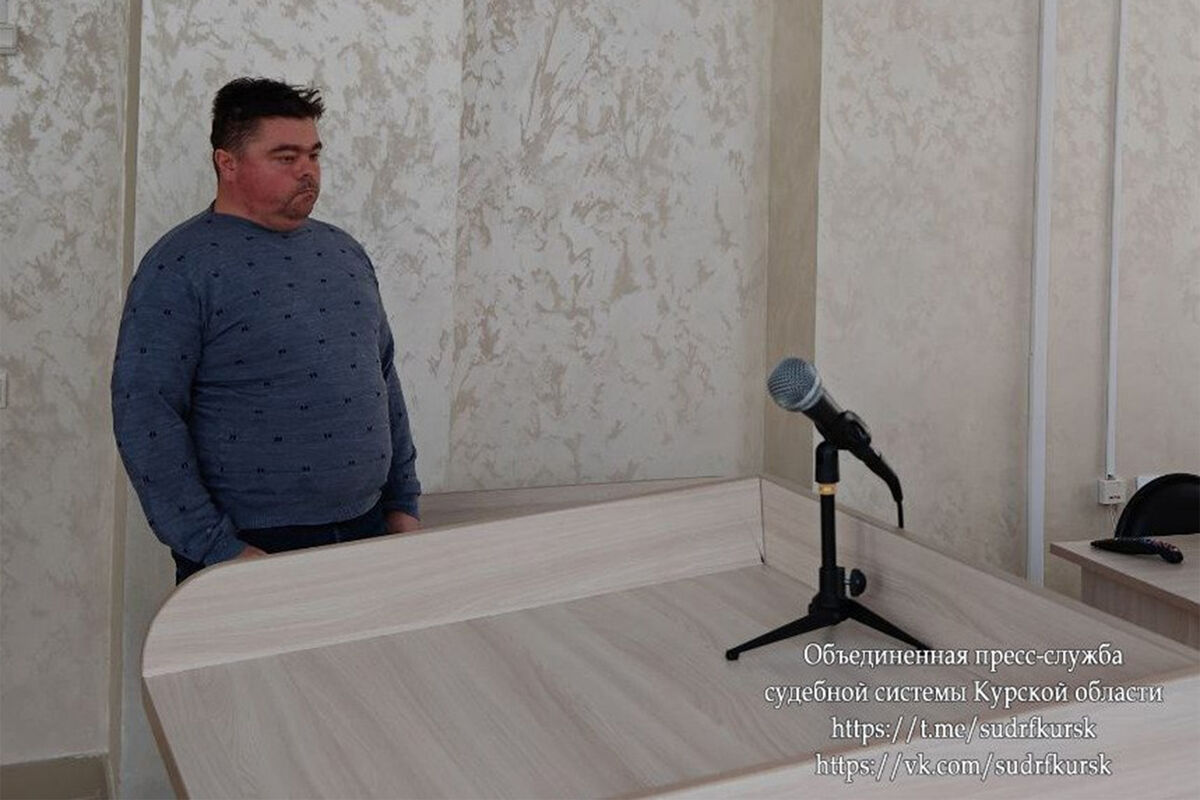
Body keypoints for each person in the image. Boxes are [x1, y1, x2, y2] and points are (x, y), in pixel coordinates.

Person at [112, 78, 421, 584]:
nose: (307, 171)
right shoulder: (180, 266)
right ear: (227, 163)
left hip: (368, 529)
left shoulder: (344, 252)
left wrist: (404, 502)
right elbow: (145, 412)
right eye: (285, 157)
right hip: (249, 547)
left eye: (313, 154)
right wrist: (218, 548)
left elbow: (383, 376)